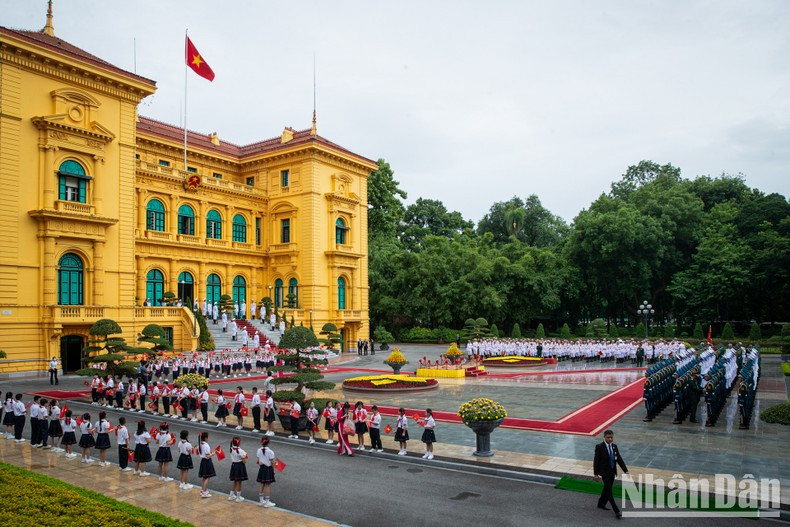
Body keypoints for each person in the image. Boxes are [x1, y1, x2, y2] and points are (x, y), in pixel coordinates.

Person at [593, 429, 628, 519]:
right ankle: (616, 510)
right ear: (604, 437)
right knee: (609, 491)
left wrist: (626, 470)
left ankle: (600, 503)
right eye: (608, 437)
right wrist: (596, 474)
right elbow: (596, 461)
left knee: (606, 488)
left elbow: (619, 459)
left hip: (612, 472)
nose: (610, 439)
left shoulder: (614, 447)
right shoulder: (599, 447)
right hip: (604, 473)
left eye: (611, 437)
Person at [255, 437, 277, 507]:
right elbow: (272, 462)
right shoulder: (270, 452)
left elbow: (258, 460)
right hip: (268, 468)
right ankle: (267, 502)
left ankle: (261, 501)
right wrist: (273, 470)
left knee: (262, 484)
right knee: (267, 485)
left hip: (262, 468)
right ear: (268, 442)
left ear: (261, 441)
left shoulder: (258, 450)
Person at [228, 437, 248, 502]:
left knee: (235, 481)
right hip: (239, 466)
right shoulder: (240, 451)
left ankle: (231, 495)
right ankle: (238, 497)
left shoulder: (231, 448)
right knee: (239, 482)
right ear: (239, 443)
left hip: (233, 465)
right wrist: (245, 457)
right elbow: (244, 461)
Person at [197, 432, 216, 498]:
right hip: (207, 461)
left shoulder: (200, 444)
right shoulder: (206, 445)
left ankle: (203, 490)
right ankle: (204, 492)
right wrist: (213, 454)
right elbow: (208, 456)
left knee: (204, 477)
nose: (208, 438)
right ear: (205, 438)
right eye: (208, 437)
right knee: (207, 477)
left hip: (203, 461)